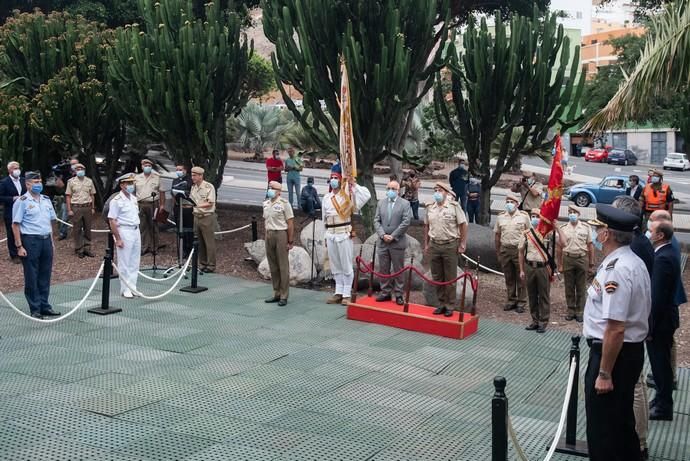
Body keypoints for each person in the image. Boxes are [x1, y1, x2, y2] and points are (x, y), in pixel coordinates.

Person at [583, 204, 651, 461]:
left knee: (604, 431)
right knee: (621, 426)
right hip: (624, 354)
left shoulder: (619, 269)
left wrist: (604, 372)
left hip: (613, 356)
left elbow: (615, 328)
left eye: (597, 229)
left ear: (606, 234)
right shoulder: (630, 262)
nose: (595, 235)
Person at [611, 194, 653, 461]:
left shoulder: (634, 248)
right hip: (634, 324)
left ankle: (638, 441)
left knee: (635, 387)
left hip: (628, 330)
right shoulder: (642, 243)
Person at [11, 171, 61, 319]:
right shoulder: (22, 201)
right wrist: (19, 246)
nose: (38, 184)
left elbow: (50, 222)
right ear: (27, 184)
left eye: (39, 182)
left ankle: (44, 305)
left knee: (45, 274)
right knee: (32, 275)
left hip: (45, 240)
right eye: (35, 182)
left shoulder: (46, 200)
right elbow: (15, 225)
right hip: (30, 240)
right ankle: (35, 308)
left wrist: (52, 242)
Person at [647, 209, 685, 392]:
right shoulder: (669, 247)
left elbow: (659, 295)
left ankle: (667, 385)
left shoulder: (666, 253)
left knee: (663, 350)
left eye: (651, 224)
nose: (648, 228)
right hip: (668, 306)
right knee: (665, 348)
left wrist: (650, 325)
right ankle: (665, 380)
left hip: (665, 310)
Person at [646, 219, 680, 421]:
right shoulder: (666, 253)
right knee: (660, 363)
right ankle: (660, 399)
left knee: (661, 364)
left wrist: (650, 327)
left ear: (660, 236)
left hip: (661, 322)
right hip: (665, 320)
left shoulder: (663, 258)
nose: (648, 233)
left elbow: (657, 297)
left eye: (651, 231)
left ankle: (664, 405)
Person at [322, 171, 371, 305]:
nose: (333, 180)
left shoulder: (347, 196)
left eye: (335, 178)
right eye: (331, 178)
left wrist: (353, 184)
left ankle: (346, 294)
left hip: (343, 233)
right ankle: (338, 292)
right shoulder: (326, 198)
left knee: (346, 264)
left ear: (340, 181)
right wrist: (325, 236)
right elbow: (323, 219)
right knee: (335, 264)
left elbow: (366, 195)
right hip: (331, 233)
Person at [424, 182, 468, 317]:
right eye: (435, 190)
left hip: (450, 244)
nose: (437, 193)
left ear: (446, 193)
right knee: (437, 276)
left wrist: (462, 243)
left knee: (450, 277)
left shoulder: (454, 207)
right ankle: (441, 303)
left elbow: (463, 225)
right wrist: (426, 244)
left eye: (440, 190)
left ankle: (450, 305)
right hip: (435, 244)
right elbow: (426, 226)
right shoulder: (430, 207)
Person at [374, 180, 412, 306]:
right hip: (383, 241)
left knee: (398, 269)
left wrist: (393, 236)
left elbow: (406, 222)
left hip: (397, 242)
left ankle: (399, 294)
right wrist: (382, 235)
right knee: (384, 268)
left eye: (393, 189)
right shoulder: (381, 203)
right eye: (388, 188)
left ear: (398, 190)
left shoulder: (405, 204)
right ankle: (385, 292)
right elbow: (376, 221)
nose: (390, 191)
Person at [556, 204, 593, 322]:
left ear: (578, 215)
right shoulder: (563, 228)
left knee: (581, 286)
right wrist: (560, 264)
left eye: (574, 212)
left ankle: (580, 311)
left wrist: (591, 262)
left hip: (582, 258)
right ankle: (571, 310)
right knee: (569, 286)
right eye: (570, 212)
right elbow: (559, 248)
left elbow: (590, 245)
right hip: (568, 258)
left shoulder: (586, 228)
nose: (572, 214)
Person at [494, 193, 530, 313]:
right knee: (508, 276)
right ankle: (511, 299)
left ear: (517, 204)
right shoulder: (500, 217)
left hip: (519, 250)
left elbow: (530, 234)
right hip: (505, 249)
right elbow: (497, 235)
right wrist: (498, 251)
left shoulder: (524, 217)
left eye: (512, 202)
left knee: (521, 276)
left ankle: (521, 301)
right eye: (507, 202)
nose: (509, 204)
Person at [518, 209, 553, 333]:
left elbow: (560, 244)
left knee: (543, 295)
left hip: (542, 267)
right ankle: (535, 320)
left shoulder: (547, 233)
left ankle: (543, 321)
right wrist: (522, 270)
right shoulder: (526, 233)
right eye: (532, 216)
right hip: (529, 267)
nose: (534, 218)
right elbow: (521, 252)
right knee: (532, 295)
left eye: (537, 216)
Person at [108, 173, 141, 299]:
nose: (131, 186)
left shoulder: (133, 198)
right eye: (128, 183)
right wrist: (118, 238)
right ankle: (125, 288)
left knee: (134, 261)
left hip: (135, 230)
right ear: (122, 185)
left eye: (132, 183)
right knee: (124, 261)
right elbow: (112, 220)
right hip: (124, 231)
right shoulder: (116, 201)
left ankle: (133, 286)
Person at [263, 181, 294, 306]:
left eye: (273, 188)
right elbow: (266, 221)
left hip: (281, 234)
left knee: (283, 266)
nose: (270, 189)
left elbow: (290, 223)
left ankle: (284, 295)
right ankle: (276, 292)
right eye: (269, 187)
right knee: (273, 265)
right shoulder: (265, 203)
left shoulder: (284, 204)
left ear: (279, 191)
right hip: (269, 234)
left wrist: (290, 240)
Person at [65, 163, 96, 258]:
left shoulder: (89, 181)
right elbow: (68, 196)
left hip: (87, 206)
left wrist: (93, 207)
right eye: (78, 169)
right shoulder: (71, 182)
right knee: (77, 229)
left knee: (88, 228)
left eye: (81, 169)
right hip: (76, 207)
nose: (80, 170)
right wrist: (69, 209)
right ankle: (79, 249)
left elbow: (92, 195)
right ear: (75, 171)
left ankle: (87, 248)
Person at [190, 167, 217, 273]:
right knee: (199, 241)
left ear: (201, 176)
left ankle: (211, 265)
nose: (193, 177)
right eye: (192, 175)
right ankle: (202, 263)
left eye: (195, 175)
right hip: (196, 216)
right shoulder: (193, 187)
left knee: (208, 242)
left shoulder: (208, 187)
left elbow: (210, 202)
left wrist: (197, 205)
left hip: (206, 217)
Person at [135, 158, 164, 255]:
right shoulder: (137, 178)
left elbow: (162, 192)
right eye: (145, 166)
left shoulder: (157, 177)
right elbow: (133, 192)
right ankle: (144, 247)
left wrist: (162, 205)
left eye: (149, 166)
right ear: (142, 167)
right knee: (142, 226)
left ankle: (154, 247)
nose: (147, 167)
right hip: (141, 203)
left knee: (153, 226)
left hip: (153, 204)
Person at [0, 161, 26, 263]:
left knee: (23, 231)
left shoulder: (23, 180)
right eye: (15, 168)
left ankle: (23, 250)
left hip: (23, 210)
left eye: (18, 168)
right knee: (11, 232)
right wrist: (12, 198)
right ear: (9, 170)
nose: (17, 170)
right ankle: (14, 254)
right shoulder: (4, 182)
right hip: (10, 210)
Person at [171, 163, 194, 258]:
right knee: (180, 230)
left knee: (188, 230)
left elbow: (190, 193)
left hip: (187, 208)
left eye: (180, 169)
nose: (178, 171)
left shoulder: (190, 180)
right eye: (177, 169)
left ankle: (189, 249)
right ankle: (182, 249)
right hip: (178, 207)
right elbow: (172, 193)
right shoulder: (175, 180)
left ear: (185, 170)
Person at [56, 158, 79, 240]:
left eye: (75, 163)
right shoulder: (66, 174)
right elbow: (60, 186)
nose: (74, 166)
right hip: (67, 198)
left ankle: (80, 233)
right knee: (64, 216)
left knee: (80, 217)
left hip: (79, 199)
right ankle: (63, 233)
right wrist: (58, 179)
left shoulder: (81, 174)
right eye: (72, 164)